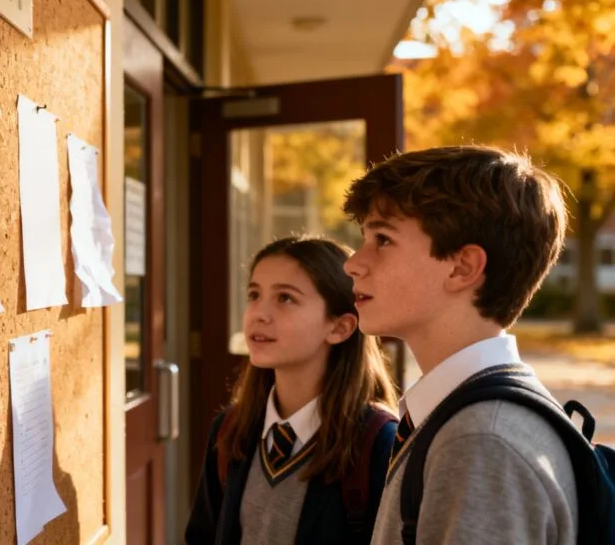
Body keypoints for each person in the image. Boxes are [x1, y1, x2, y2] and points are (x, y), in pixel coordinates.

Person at [342, 145, 577, 544]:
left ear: (463, 267)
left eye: (382, 239)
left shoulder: (481, 442)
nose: (352, 263)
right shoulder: (460, 419)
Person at [186, 236, 399, 544]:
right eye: (254, 295)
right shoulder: (231, 429)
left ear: (340, 327)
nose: (259, 313)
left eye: (285, 298)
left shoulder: (378, 443)